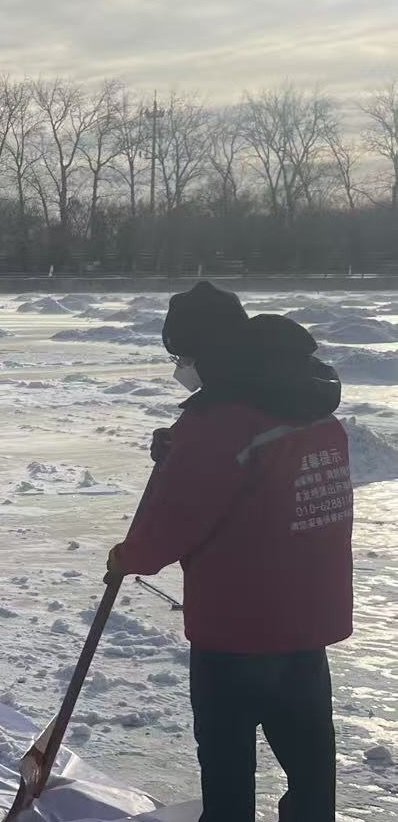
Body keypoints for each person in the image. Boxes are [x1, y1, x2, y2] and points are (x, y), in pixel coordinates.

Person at [108, 282, 352, 822]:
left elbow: (180, 515)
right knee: (310, 763)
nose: (183, 368)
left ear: (207, 350)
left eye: (184, 356)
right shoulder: (310, 405)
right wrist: (184, 451)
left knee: (227, 766)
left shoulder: (220, 421)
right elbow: (263, 480)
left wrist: (132, 556)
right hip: (310, 616)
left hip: (239, 624)